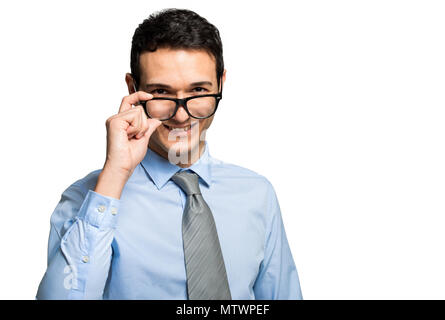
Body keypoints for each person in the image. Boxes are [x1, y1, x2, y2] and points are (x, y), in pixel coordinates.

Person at [36, 8, 303, 300]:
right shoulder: (87, 199)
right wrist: (114, 176)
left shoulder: (257, 194)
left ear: (221, 84)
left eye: (199, 90)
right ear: (132, 88)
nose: (181, 116)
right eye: (162, 92)